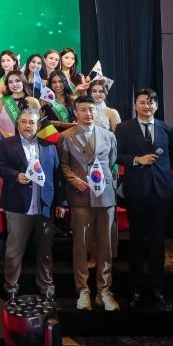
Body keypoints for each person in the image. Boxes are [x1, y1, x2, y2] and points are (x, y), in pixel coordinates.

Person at [115, 88, 173, 311]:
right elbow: (116, 155)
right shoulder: (123, 128)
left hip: (161, 192)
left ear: (157, 106)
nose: (147, 106)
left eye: (151, 102)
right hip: (136, 192)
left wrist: (159, 173)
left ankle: (157, 290)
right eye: (143, 102)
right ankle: (136, 291)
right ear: (135, 105)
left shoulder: (167, 128)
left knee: (157, 242)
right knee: (136, 242)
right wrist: (137, 159)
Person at [0, 108, 64, 299]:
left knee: (45, 251)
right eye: (24, 122)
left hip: (44, 206)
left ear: (38, 125)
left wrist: (61, 203)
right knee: (14, 251)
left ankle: (46, 287)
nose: (27, 126)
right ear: (18, 124)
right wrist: (15, 176)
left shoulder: (49, 146)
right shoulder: (7, 144)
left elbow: (57, 175)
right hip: (18, 205)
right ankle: (11, 287)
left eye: (32, 122)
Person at [58, 96, 119, 311]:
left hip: (105, 197)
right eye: (83, 109)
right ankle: (83, 290)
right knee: (81, 245)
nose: (88, 113)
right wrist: (74, 179)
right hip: (80, 196)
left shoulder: (109, 135)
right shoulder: (66, 136)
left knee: (106, 245)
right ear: (75, 113)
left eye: (91, 109)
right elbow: (63, 165)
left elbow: (112, 162)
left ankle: (104, 290)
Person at [0, 71, 41, 139]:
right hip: (6, 141)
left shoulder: (33, 101)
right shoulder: (2, 101)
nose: (14, 84)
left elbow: (39, 125)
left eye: (17, 81)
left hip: (27, 141)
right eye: (10, 82)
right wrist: (4, 133)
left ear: (23, 82)